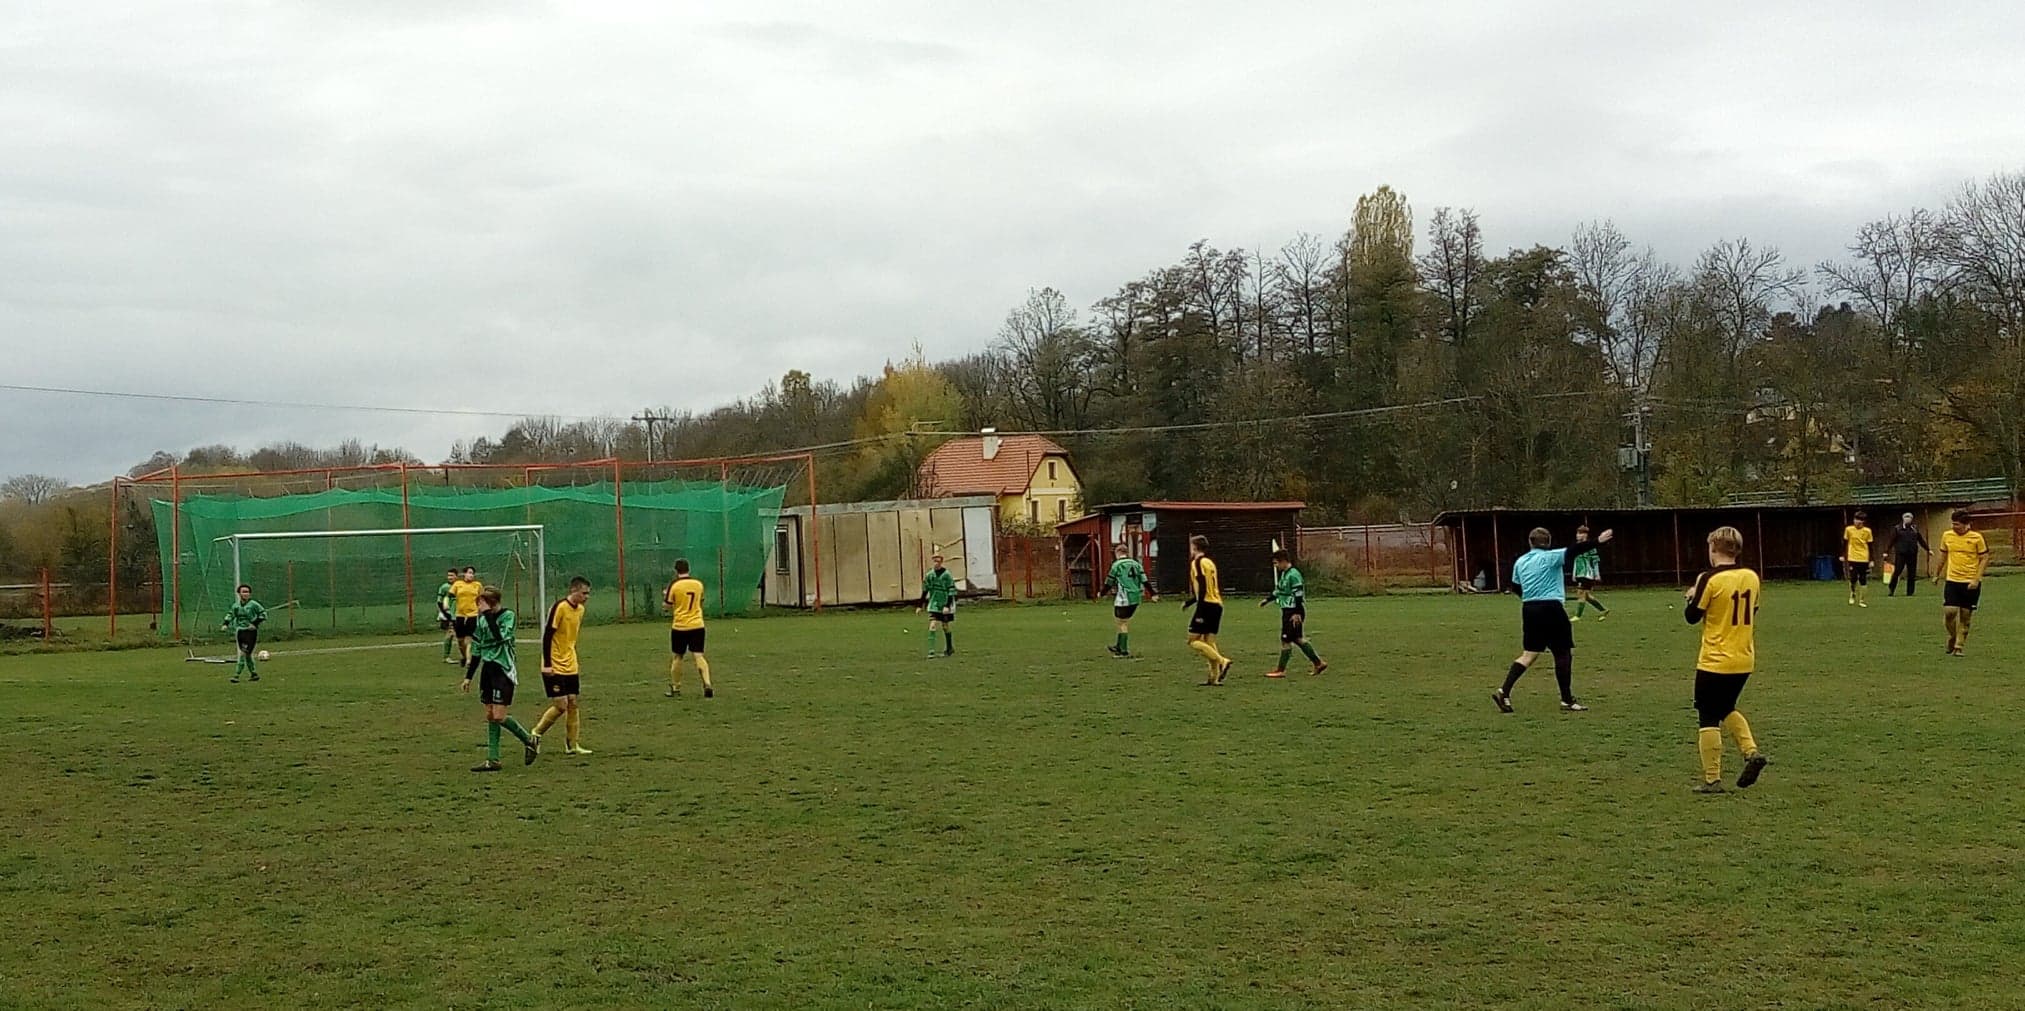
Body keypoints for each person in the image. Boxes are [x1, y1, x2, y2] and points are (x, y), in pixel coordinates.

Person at [1683, 526, 1770, 794]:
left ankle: (1712, 780)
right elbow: (1752, 610)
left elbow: (1692, 616)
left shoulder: (1709, 578)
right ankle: (1750, 752)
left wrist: (1691, 595)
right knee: (1726, 707)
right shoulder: (1751, 577)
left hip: (1715, 659)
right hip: (1744, 658)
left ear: (1713, 549)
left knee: (1708, 714)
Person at [1491, 526, 1613, 714]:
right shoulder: (1551, 557)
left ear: (1530, 542)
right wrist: (1598, 541)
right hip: (1551, 608)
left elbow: (1515, 586)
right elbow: (1574, 550)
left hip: (1529, 609)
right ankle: (1567, 700)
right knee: (1563, 653)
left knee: (1529, 655)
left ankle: (1504, 691)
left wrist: (1529, 597)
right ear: (1548, 543)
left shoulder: (1520, 561)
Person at [461, 586, 538, 772]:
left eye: (481, 604)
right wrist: (468, 677)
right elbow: (477, 650)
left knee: (499, 715)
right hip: (488, 670)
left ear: (491, 603)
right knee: (490, 714)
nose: (478, 608)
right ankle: (493, 759)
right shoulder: (481, 620)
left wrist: (488, 614)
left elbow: (499, 636)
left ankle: (529, 740)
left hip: (503, 670)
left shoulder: (507, 616)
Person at [531, 576, 593, 756]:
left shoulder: (580, 610)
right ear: (574, 590)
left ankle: (572, 745)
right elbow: (547, 636)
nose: (586, 597)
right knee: (561, 705)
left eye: (588, 593)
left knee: (573, 702)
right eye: (584, 593)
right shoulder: (559, 607)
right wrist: (547, 664)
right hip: (554, 664)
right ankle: (535, 734)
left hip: (570, 663)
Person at [1259, 549, 1327, 678]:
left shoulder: (1294, 575)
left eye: (1276, 563)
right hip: (1288, 610)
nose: (1275, 566)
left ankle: (1280, 670)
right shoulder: (1285, 574)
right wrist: (1267, 600)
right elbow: (1279, 591)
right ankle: (1318, 663)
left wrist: (1297, 613)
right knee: (1297, 638)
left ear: (1283, 561)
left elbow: (1298, 595)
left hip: (1293, 611)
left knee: (1286, 640)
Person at [1935, 509, 1990, 657]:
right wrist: (1936, 574)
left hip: (1970, 582)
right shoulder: (1947, 536)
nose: (1954, 526)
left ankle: (1959, 647)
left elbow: (1984, 558)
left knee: (1965, 616)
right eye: (1953, 523)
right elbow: (1943, 556)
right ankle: (1952, 636)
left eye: (1957, 524)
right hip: (1953, 580)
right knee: (1950, 612)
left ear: (1966, 524)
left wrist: (1976, 579)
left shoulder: (1976, 538)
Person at [1183, 535, 1234, 686]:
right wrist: (1190, 601)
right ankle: (1214, 678)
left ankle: (1222, 661)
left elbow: (1203, 587)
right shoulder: (1209, 562)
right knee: (1209, 641)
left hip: (1206, 605)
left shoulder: (1197, 563)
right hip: (1217, 604)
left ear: (1194, 547)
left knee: (1192, 640)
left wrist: (1199, 609)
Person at [665, 559, 714, 697]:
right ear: (688, 569)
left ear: (676, 570)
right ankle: (707, 683)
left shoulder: (674, 585)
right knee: (698, 655)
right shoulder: (698, 584)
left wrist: (667, 597)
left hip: (680, 626)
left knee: (678, 656)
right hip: (697, 625)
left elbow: (667, 606)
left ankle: (676, 687)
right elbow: (700, 602)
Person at [1102, 543, 1154, 658]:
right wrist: (1153, 593)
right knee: (1122, 621)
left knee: (1122, 623)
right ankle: (1118, 646)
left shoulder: (1117, 565)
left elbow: (1109, 581)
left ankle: (1123, 650)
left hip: (1124, 597)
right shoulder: (1136, 564)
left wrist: (1102, 593)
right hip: (1136, 597)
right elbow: (1145, 580)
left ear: (1117, 553)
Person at [220, 584, 267, 684]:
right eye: (243, 592)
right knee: (247, 654)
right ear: (239, 593)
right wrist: (225, 624)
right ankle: (254, 674)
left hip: (251, 632)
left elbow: (263, 614)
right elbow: (230, 614)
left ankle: (236, 675)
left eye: (247, 592)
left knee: (243, 653)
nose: (246, 594)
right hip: (240, 631)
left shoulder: (254, 604)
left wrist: (254, 624)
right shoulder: (236, 606)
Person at [918, 553, 958, 659]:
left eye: (938, 561)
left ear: (941, 561)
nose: (936, 563)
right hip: (934, 604)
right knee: (932, 625)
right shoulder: (929, 575)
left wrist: (947, 605)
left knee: (945, 626)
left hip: (944, 603)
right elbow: (925, 590)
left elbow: (951, 591)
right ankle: (931, 651)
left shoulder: (947, 575)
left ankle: (949, 647)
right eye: (934, 560)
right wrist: (919, 605)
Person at [1569, 524, 1609, 621]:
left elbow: (1595, 562)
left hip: (1587, 574)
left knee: (1580, 593)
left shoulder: (1590, 547)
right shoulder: (1576, 547)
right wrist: (1574, 574)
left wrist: (1597, 574)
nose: (1578, 535)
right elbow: (1575, 561)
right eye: (1577, 533)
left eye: (1580, 533)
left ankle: (1578, 616)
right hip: (1579, 574)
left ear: (1585, 535)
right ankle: (1604, 610)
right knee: (1587, 596)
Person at [1885, 512, 1930, 598]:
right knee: (1897, 571)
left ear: (1912, 519)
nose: (1907, 519)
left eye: (1909, 517)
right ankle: (1891, 589)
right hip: (1901, 554)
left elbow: (1920, 540)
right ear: (1903, 519)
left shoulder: (1914, 529)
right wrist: (1886, 551)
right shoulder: (1897, 529)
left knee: (1912, 573)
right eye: (1906, 517)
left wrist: (1928, 549)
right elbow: (1891, 540)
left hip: (1912, 554)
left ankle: (1910, 592)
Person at [450, 566, 483, 666]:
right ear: (464, 574)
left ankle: (469, 660)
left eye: (472, 573)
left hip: (472, 614)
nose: (471, 575)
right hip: (460, 615)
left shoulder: (477, 585)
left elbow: (481, 598)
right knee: (460, 641)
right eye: (469, 573)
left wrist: (480, 609)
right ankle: (464, 657)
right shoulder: (458, 584)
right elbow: (450, 595)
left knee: (469, 639)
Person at [1843, 510, 1874, 607]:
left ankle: (1862, 600)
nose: (1857, 522)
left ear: (1863, 521)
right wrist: (1843, 555)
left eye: (1859, 520)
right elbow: (1845, 543)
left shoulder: (1867, 531)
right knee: (1853, 578)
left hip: (1864, 557)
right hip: (1852, 557)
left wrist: (1871, 560)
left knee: (1863, 579)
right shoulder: (1849, 529)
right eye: (1856, 519)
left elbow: (1870, 546)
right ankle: (1852, 593)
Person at [436, 568, 459, 664]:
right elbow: (439, 602)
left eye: (452, 575)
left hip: (458, 614)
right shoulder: (444, 587)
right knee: (450, 634)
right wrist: (445, 614)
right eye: (448, 575)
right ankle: (446, 657)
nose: (450, 577)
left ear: (456, 576)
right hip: (448, 614)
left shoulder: (460, 586)